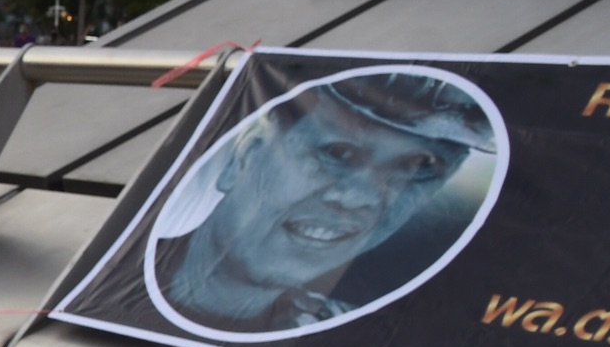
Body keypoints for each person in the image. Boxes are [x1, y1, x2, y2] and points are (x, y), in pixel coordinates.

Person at [150, 70, 494, 333]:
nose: (360, 198)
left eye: (421, 168)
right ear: (245, 156)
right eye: (339, 153)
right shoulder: (125, 263)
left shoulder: (363, 342)